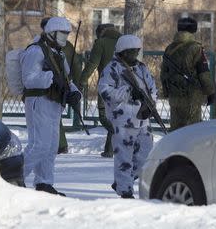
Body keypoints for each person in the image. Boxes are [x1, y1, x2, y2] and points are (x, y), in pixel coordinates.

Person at [21, 16, 82, 195]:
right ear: (51, 33)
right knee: (39, 145)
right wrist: (50, 79)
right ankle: (14, 177)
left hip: (54, 103)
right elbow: (29, 79)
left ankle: (44, 182)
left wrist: (74, 91)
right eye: (62, 33)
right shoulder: (36, 51)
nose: (65, 37)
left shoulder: (58, 53)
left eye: (67, 34)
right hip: (39, 101)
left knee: (51, 145)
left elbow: (65, 78)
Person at [98, 34, 157, 198]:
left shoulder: (142, 68)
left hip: (142, 119)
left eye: (137, 51)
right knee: (124, 158)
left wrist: (150, 100)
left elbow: (152, 88)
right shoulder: (112, 68)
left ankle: (122, 182)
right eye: (132, 52)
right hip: (123, 120)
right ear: (123, 52)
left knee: (145, 157)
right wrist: (127, 94)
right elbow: (104, 90)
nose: (135, 55)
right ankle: (125, 191)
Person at [160, 17, 215, 131]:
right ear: (193, 30)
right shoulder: (196, 48)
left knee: (176, 130)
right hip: (192, 98)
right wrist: (210, 93)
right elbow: (203, 73)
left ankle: (175, 149)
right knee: (191, 131)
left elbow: (164, 73)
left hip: (174, 96)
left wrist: (166, 92)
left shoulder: (169, 49)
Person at [80, 24, 121, 158]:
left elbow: (92, 63)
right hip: (125, 86)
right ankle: (109, 150)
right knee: (117, 117)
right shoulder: (124, 41)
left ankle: (118, 138)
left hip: (106, 86)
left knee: (104, 116)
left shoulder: (101, 43)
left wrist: (82, 80)